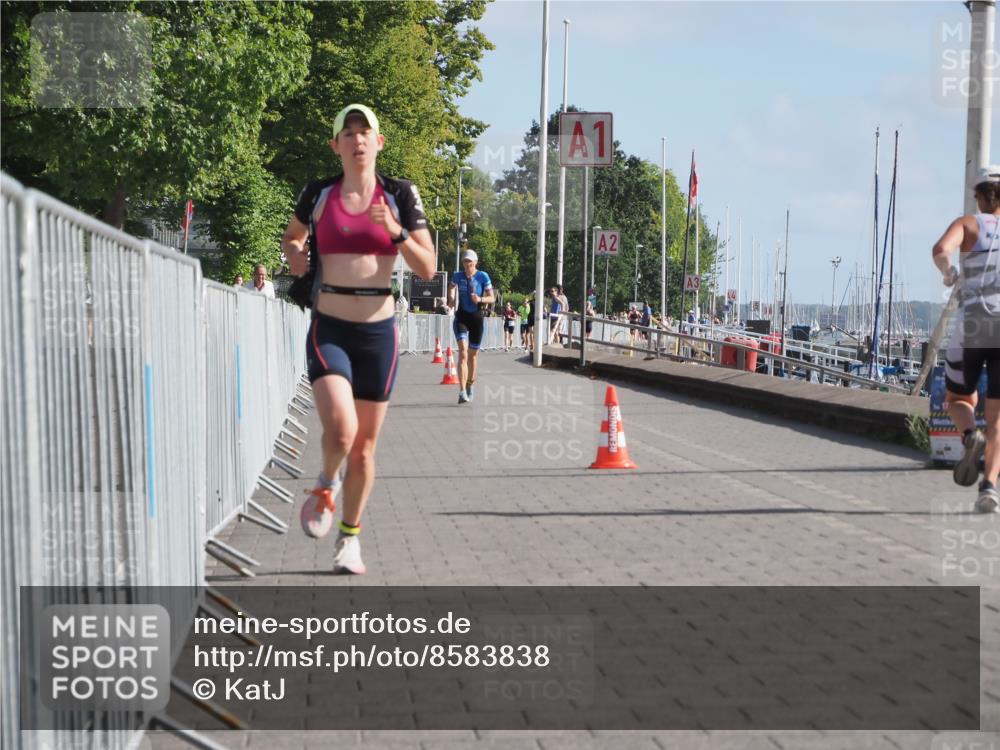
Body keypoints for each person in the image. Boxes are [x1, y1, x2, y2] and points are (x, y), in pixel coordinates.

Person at [281, 103, 435, 573]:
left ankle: (349, 540)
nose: (357, 140)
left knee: (365, 448)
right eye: (347, 133)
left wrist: (395, 236)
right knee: (343, 430)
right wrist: (295, 255)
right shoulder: (319, 193)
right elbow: (292, 238)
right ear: (336, 146)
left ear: (379, 142)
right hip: (330, 326)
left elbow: (426, 266)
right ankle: (326, 480)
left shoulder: (399, 195)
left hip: (379, 334)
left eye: (364, 131)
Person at [931, 166, 1000, 513]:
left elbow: (941, 249)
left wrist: (949, 272)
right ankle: (989, 487)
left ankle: (969, 435)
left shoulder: (969, 224)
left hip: (974, 321)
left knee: (958, 396)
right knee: (999, 418)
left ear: (979, 195)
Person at [448, 249, 494, 403]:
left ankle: (469, 385)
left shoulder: (483, 276)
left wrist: (480, 299)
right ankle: (461, 391)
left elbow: (492, 297)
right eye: (465, 261)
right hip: (461, 316)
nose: (467, 264)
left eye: (470, 261)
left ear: (475, 262)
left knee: (473, 356)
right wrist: (451, 298)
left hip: (476, 317)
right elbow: (451, 287)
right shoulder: (457, 275)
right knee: (462, 352)